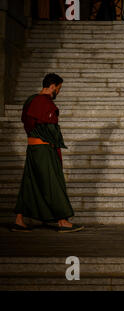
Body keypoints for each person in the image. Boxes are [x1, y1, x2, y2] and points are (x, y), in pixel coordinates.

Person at [12, 73, 84, 233]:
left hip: (32, 147)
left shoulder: (30, 100)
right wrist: (56, 142)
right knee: (53, 183)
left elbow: (27, 122)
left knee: (30, 182)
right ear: (52, 86)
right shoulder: (45, 103)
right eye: (59, 88)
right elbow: (51, 129)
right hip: (44, 149)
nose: (59, 91)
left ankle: (19, 220)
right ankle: (62, 221)